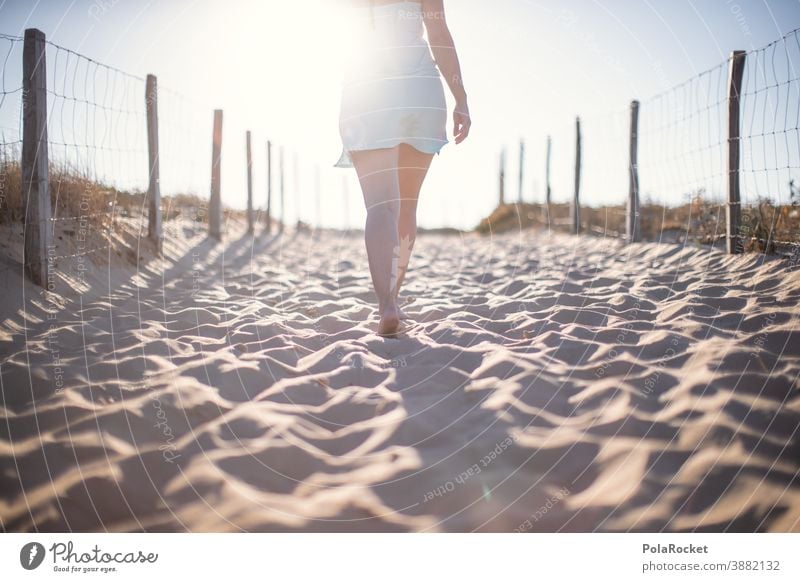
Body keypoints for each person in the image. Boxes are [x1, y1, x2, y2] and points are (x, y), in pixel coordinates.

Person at [335, 0, 470, 336]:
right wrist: (461, 98)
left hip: (368, 94)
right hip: (419, 93)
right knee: (406, 207)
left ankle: (386, 305)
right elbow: (438, 33)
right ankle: (393, 297)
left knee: (381, 206)